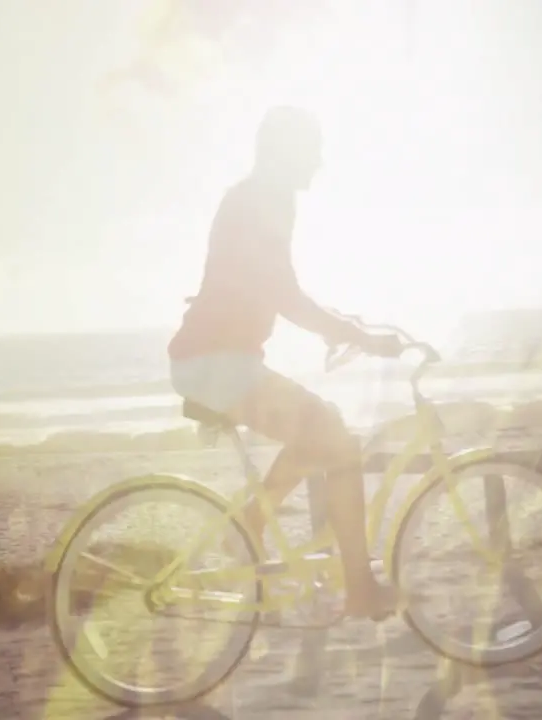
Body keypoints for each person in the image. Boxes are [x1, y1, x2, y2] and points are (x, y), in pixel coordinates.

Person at [168, 105, 404, 621]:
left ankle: (252, 520)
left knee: (323, 433)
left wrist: (342, 323)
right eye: (312, 150)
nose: (319, 162)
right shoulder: (260, 202)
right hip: (214, 364)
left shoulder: (261, 200)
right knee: (337, 442)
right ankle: (359, 588)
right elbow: (285, 294)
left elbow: (279, 287)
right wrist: (353, 333)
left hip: (220, 361)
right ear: (286, 152)